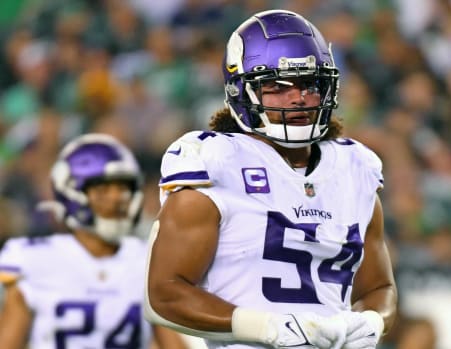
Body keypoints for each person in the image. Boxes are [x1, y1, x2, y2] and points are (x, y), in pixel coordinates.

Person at [145, 9, 397, 349]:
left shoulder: (355, 169)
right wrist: (265, 327)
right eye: (276, 86)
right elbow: (162, 295)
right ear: (241, 92)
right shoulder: (217, 164)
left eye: (310, 84)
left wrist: (370, 321)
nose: (298, 98)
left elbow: (379, 289)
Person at [0, 133, 187, 349]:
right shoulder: (34, 259)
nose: (116, 199)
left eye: (123, 188)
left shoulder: (148, 259)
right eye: (103, 189)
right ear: (71, 192)